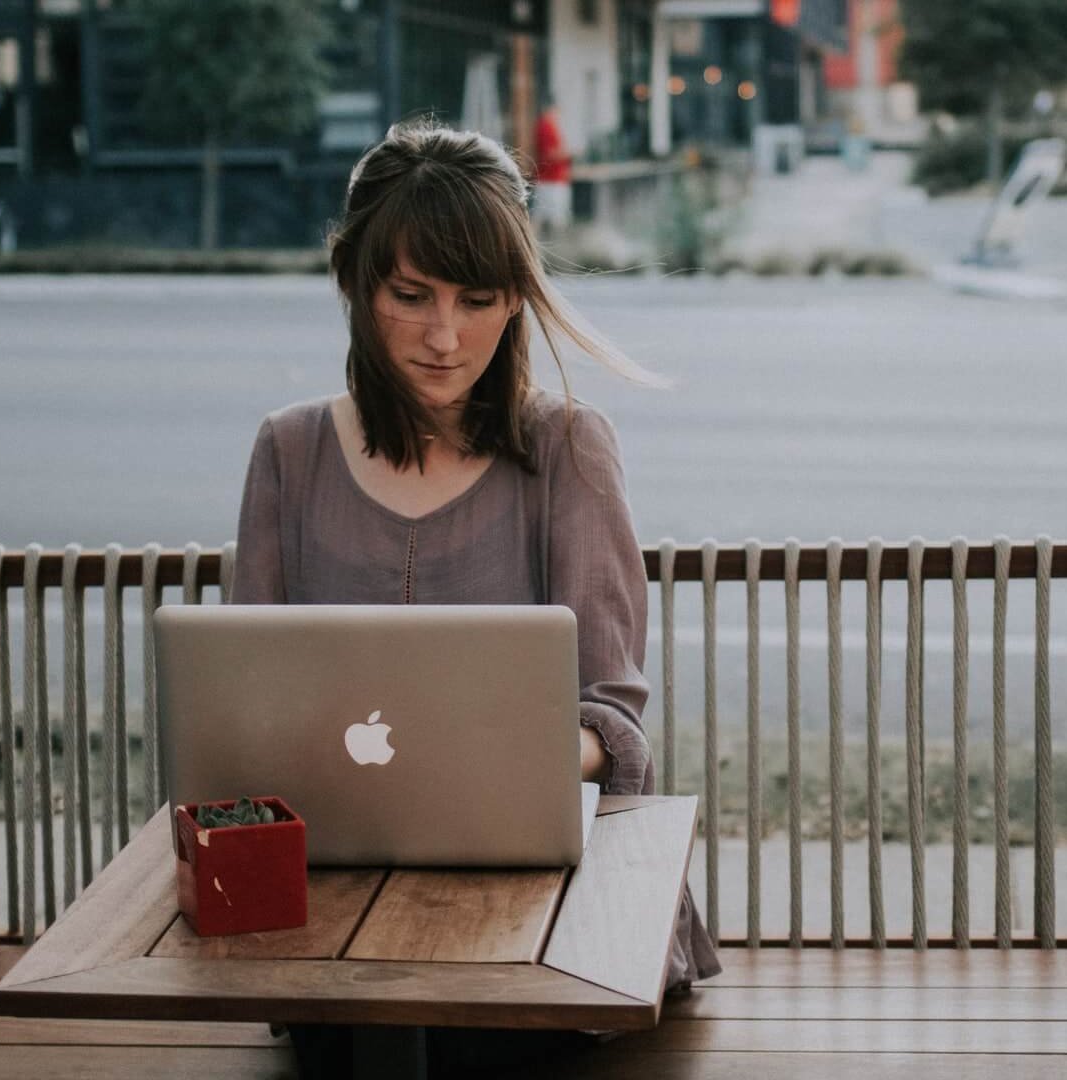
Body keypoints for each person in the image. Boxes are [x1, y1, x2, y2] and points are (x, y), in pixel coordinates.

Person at [231, 120, 719, 1075]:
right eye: (410, 296)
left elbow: (613, 720)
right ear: (354, 284)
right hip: (335, 901)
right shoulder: (289, 452)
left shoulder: (567, 448)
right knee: (369, 1020)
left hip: (541, 906)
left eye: (479, 298)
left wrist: (497, 756)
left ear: (516, 302)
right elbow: (245, 705)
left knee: (457, 1037)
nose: (445, 337)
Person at [531, 102, 574, 235]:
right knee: (553, 216)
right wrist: (568, 153)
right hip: (550, 179)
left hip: (553, 178)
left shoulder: (550, 126)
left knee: (543, 214)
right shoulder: (546, 126)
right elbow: (549, 154)